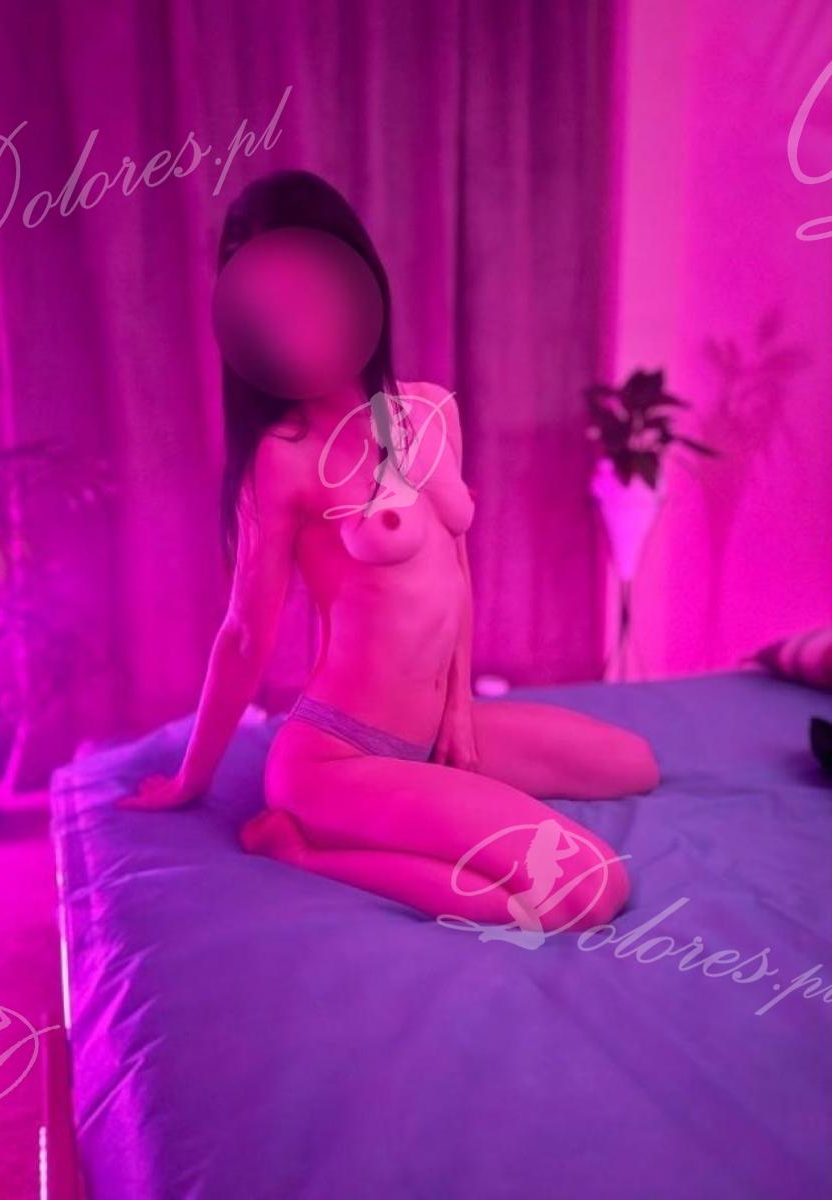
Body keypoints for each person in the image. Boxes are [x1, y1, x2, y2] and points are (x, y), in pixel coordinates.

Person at [121, 169, 660, 933]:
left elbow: (455, 570)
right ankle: (298, 849)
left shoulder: (429, 406)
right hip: (338, 754)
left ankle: (425, 782)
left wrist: (459, 712)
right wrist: (189, 780)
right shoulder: (284, 457)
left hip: (434, 730)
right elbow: (243, 633)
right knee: (584, 891)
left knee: (634, 764)